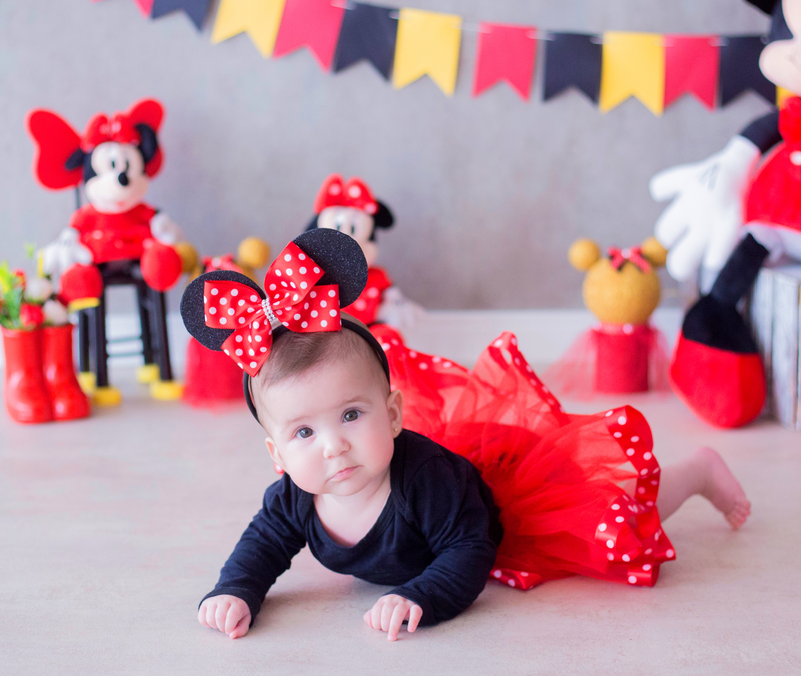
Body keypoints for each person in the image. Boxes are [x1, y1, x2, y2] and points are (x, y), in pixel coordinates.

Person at [183, 230, 750, 642]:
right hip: (451, 500)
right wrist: (237, 590)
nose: (333, 445)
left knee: (612, 514)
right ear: (276, 455)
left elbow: (469, 551)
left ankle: (696, 472)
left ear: (394, 413)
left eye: (352, 416)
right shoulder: (293, 498)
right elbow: (259, 547)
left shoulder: (424, 483)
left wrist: (419, 595)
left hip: (504, 506)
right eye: (304, 431)